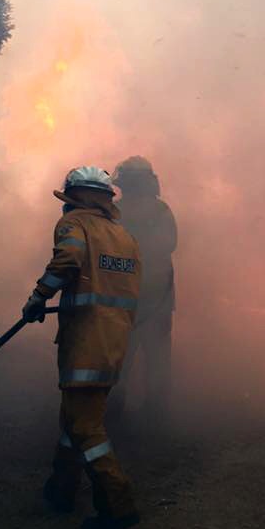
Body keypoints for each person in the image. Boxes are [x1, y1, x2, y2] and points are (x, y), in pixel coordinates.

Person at [22, 166, 142, 529]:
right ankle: (61, 489)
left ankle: (117, 505)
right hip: (114, 343)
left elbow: (69, 260)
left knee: (87, 427)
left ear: (75, 197)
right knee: (75, 418)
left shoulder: (76, 224)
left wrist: (38, 298)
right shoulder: (123, 236)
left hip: (85, 343)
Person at [110, 156, 177, 422]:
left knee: (120, 357)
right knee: (157, 358)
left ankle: (116, 413)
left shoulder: (114, 211)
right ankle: (156, 415)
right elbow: (170, 244)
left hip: (125, 299)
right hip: (157, 297)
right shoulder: (161, 211)